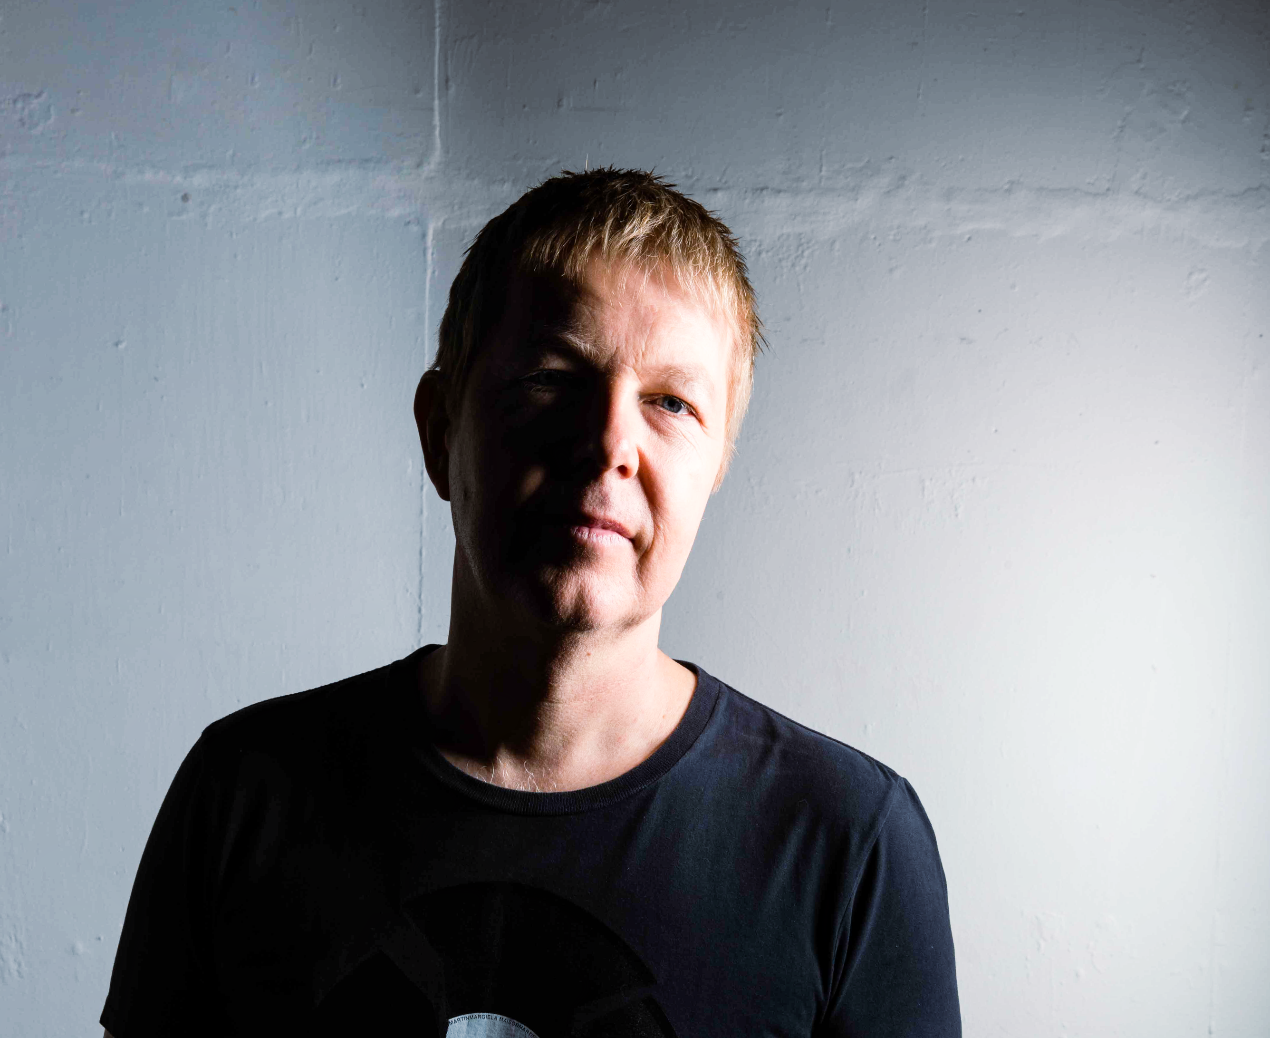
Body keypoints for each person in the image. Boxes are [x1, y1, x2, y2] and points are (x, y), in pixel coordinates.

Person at [102, 168, 960, 1037]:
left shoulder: (848, 842)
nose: (609, 444)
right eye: (553, 378)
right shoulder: (244, 791)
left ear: (716, 468)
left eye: (671, 402)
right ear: (441, 430)